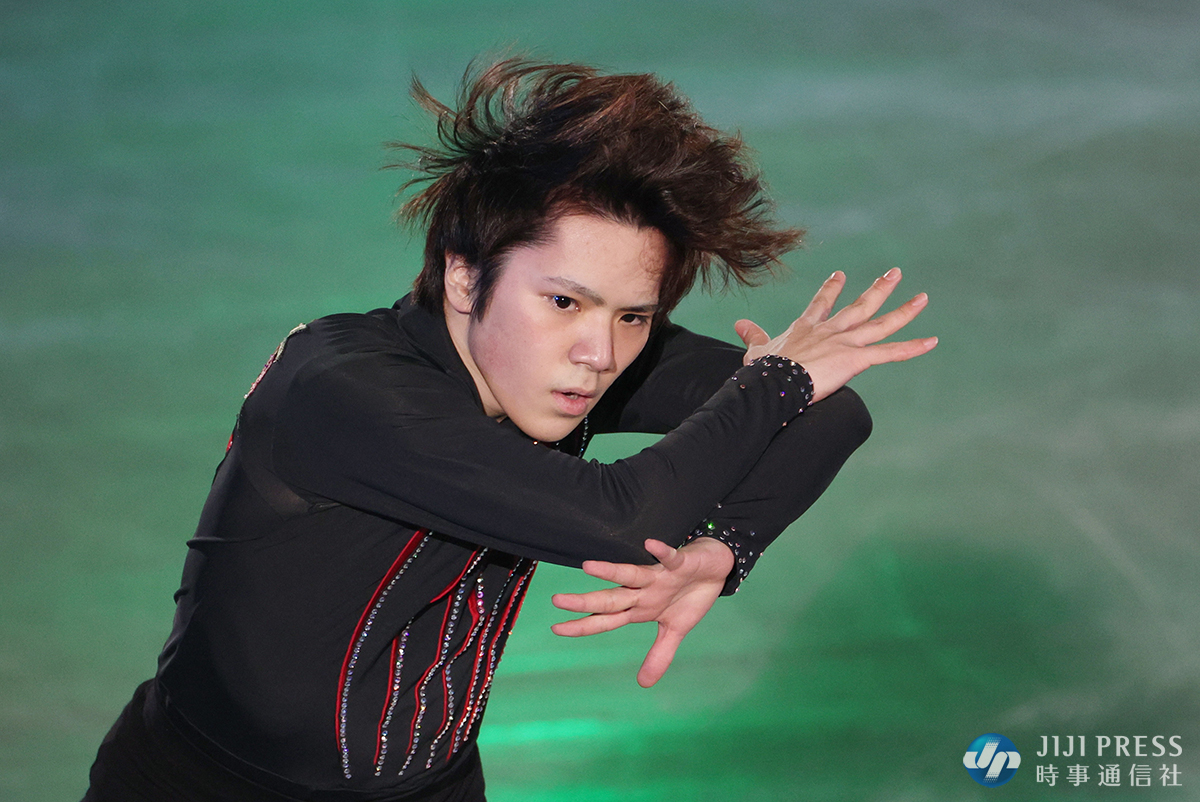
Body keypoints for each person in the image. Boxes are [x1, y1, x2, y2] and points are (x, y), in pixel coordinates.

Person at [83, 59, 935, 801]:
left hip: (437, 786)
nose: (599, 354)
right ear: (464, 275)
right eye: (562, 301)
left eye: (634, 315)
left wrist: (724, 547)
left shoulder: (571, 358)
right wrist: (778, 375)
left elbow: (829, 410)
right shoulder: (345, 391)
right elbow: (622, 519)